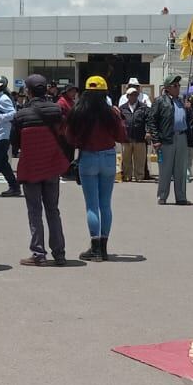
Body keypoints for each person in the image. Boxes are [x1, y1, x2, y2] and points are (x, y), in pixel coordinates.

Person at [11, 74, 70, 266]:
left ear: (28, 91)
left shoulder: (21, 115)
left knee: (34, 211)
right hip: (52, 166)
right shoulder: (56, 110)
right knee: (53, 210)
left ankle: (38, 254)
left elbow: (15, 143)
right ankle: (59, 253)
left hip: (31, 168)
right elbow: (64, 134)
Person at [67, 75, 128, 261]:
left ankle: (95, 249)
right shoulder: (111, 113)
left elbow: (69, 138)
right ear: (104, 93)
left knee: (92, 205)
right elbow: (122, 136)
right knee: (105, 204)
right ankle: (103, 248)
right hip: (108, 157)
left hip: (88, 157)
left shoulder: (78, 112)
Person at [148, 75, 191, 205]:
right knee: (165, 169)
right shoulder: (160, 101)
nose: (178, 88)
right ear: (167, 88)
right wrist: (156, 139)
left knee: (181, 169)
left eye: (179, 85)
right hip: (167, 138)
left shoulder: (182, 101)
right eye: (175, 86)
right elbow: (152, 121)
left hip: (182, 136)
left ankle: (181, 197)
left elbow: (189, 121)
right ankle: (162, 196)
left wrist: (189, 110)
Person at [118, 84, 150, 182]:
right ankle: (127, 176)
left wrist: (148, 131)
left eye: (136, 95)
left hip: (140, 137)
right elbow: (119, 122)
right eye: (131, 95)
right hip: (126, 138)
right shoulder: (122, 108)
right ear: (127, 96)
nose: (134, 97)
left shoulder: (143, 107)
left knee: (140, 159)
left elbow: (148, 120)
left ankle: (139, 176)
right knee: (126, 159)